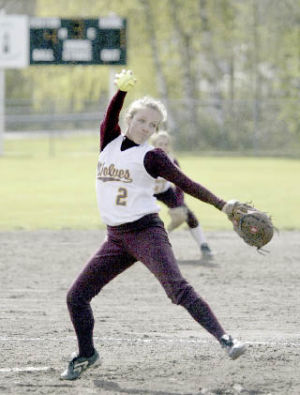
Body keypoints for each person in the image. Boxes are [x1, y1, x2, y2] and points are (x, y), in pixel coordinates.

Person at [60, 70, 246, 381]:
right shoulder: (108, 141)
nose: (147, 128)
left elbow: (188, 183)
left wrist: (223, 204)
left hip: (146, 232)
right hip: (116, 239)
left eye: (153, 124)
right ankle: (87, 354)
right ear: (130, 119)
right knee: (76, 296)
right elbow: (109, 116)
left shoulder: (153, 157)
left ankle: (226, 339)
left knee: (177, 289)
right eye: (142, 120)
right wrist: (120, 93)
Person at [151, 130, 214, 261]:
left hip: (165, 191)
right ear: (153, 145)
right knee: (146, 220)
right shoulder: (147, 157)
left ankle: (204, 246)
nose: (163, 147)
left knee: (188, 215)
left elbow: (180, 184)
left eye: (166, 144)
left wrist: (179, 204)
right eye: (159, 144)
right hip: (147, 193)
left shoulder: (172, 160)